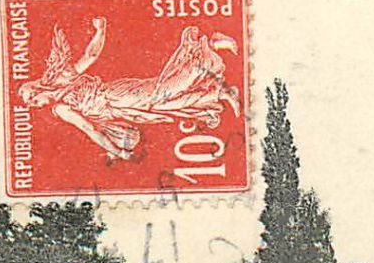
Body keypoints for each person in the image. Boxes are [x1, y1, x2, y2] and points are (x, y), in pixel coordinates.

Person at [19, 19, 242, 160]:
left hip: (116, 96)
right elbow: (93, 127)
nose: (33, 104)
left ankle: (209, 46)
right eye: (30, 104)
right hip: (121, 109)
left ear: (37, 89)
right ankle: (220, 93)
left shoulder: (61, 100)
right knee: (166, 105)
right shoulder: (59, 99)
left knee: (163, 92)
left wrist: (119, 152)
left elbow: (90, 128)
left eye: (31, 98)